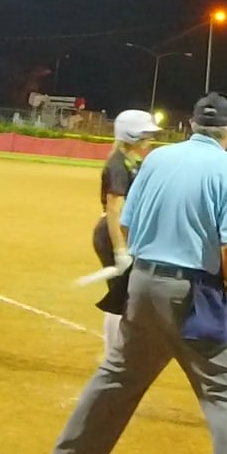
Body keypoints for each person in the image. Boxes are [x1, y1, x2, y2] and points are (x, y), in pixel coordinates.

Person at [47, 92, 227, 454]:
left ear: (192, 126)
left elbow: (125, 223)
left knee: (120, 373)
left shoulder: (156, 159)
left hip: (142, 283)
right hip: (192, 292)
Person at [72, 110, 163, 364]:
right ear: (131, 135)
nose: (149, 139)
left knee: (129, 295)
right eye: (145, 134)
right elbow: (114, 211)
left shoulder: (132, 162)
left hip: (127, 233)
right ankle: (114, 354)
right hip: (113, 234)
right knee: (120, 297)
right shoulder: (117, 165)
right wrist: (120, 249)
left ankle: (120, 350)